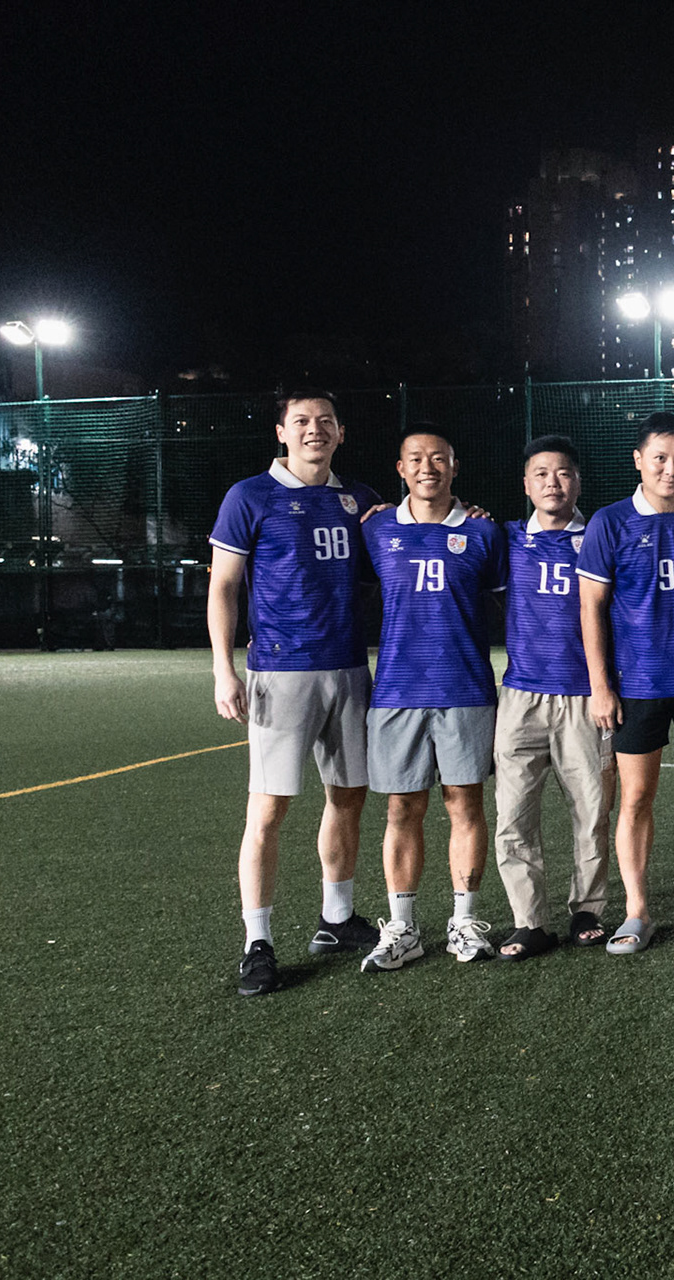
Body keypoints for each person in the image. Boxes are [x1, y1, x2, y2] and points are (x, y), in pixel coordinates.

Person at [209, 388, 383, 997]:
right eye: (302, 422)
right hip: (281, 673)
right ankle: (257, 942)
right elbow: (225, 587)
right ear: (281, 432)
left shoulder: (358, 500)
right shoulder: (249, 496)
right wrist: (222, 669)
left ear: (342, 432)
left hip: (349, 668)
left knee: (349, 796)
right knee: (269, 809)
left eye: (326, 422)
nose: (315, 430)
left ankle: (336, 919)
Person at [579, 412, 674, 955]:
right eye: (660, 458)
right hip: (636, 683)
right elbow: (591, 607)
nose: (671, 468)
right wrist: (601, 685)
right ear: (639, 460)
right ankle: (636, 910)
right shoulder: (610, 522)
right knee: (636, 798)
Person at [358, 430, 508, 972]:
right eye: (417, 459)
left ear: (455, 466)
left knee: (464, 804)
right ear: (400, 468)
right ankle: (402, 927)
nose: (428, 467)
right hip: (396, 690)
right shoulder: (373, 528)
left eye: (439, 458)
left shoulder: (484, 532)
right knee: (402, 807)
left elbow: (507, 607)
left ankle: (464, 920)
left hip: (465, 689)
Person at [491, 435, 615, 960]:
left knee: (591, 810)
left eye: (562, 473)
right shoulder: (505, 538)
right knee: (514, 813)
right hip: (521, 695)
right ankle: (529, 921)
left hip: (585, 695)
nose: (552, 482)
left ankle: (587, 909)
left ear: (577, 481)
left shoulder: (600, 536)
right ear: (526, 484)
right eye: (540, 473)